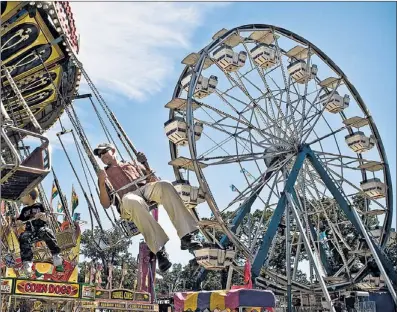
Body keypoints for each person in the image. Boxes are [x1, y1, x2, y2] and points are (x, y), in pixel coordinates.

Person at [94, 143, 202, 272]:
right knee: (132, 200)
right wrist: (101, 182)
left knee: (165, 185)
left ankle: (186, 236)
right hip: (127, 199)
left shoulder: (132, 164)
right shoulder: (104, 175)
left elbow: (153, 180)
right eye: (99, 155)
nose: (101, 156)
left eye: (104, 152)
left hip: (144, 189)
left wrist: (145, 164)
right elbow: (106, 204)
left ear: (112, 150)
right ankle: (159, 249)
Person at [15, 188, 63, 276]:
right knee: (23, 236)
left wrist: (43, 216)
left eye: (23, 197)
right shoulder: (24, 210)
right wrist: (19, 222)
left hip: (40, 228)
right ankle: (27, 262)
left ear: (29, 196)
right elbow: (19, 221)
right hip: (30, 232)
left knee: (47, 231)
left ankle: (56, 255)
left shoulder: (40, 206)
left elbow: (47, 218)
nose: (21, 199)